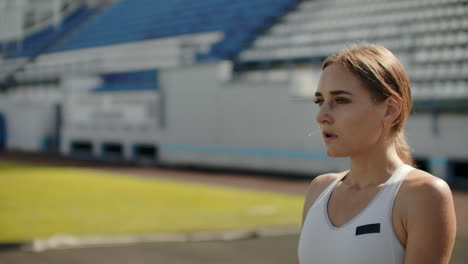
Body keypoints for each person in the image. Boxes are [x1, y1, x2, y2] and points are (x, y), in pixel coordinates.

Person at [297, 43, 456, 264]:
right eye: (320, 101)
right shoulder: (319, 189)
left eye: (341, 100)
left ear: (390, 110)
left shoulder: (423, 194)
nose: (321, 116)